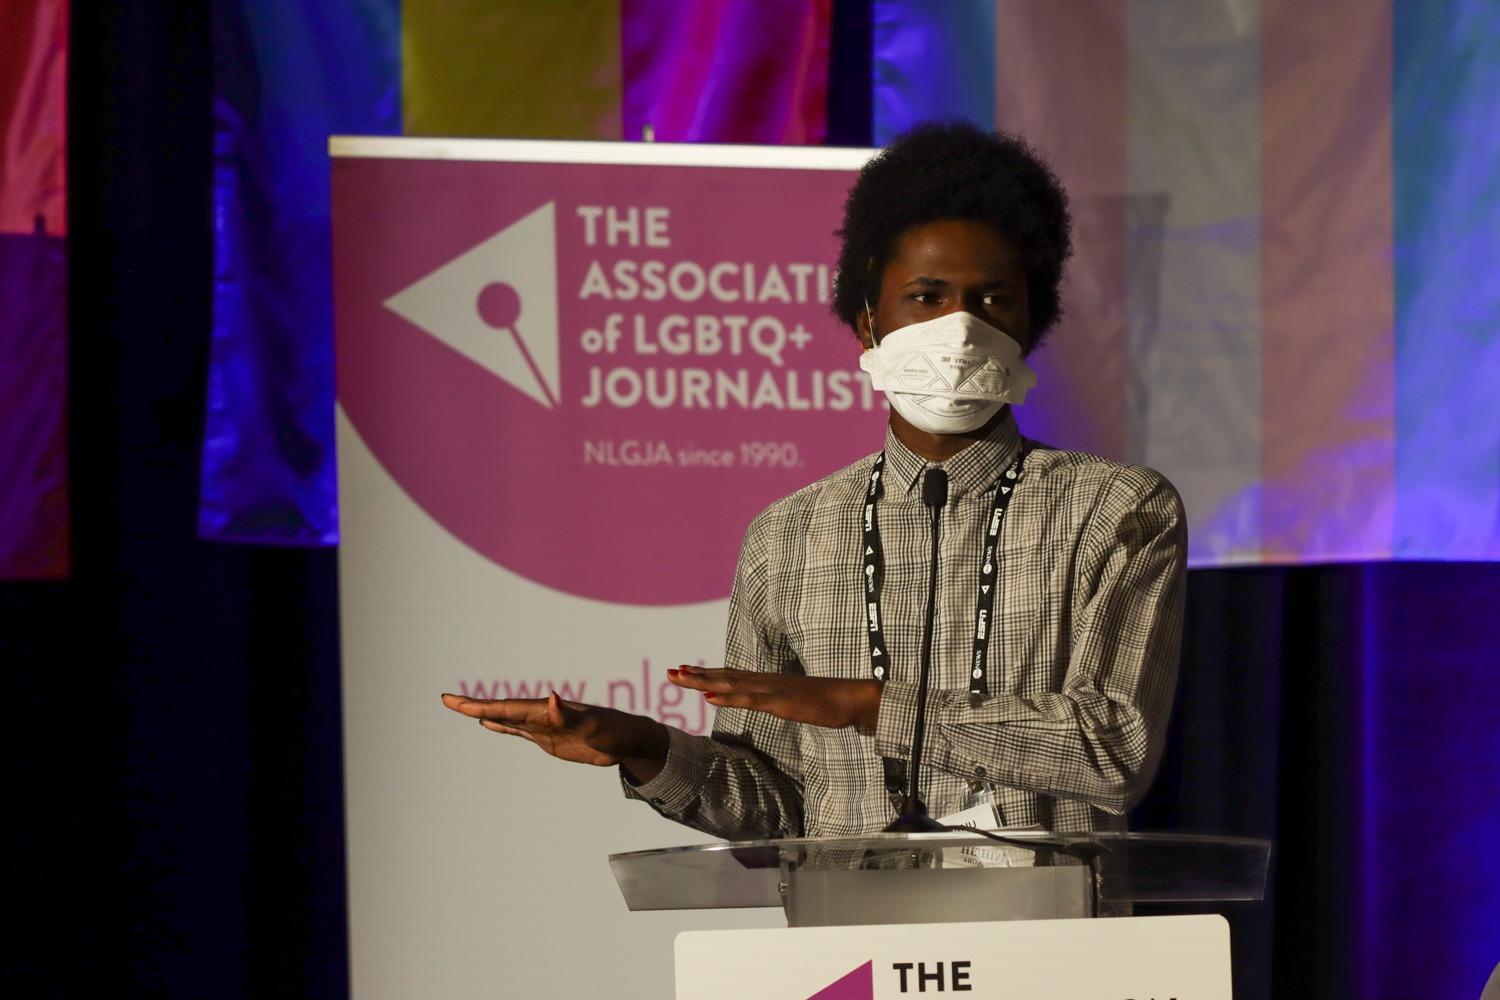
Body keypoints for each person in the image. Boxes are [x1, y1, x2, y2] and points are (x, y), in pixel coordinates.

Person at [442, 120, 1185, 840]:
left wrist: (868, 705)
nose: (960, 328)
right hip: (851, 920)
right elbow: (775, 805)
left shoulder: (1117, 510)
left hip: (1046, 920)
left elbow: (1114, 748)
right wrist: (645, 749)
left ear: (1031, 323)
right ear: (868, 325)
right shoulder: (789, 535)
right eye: (926, 296)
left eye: (993, 299)